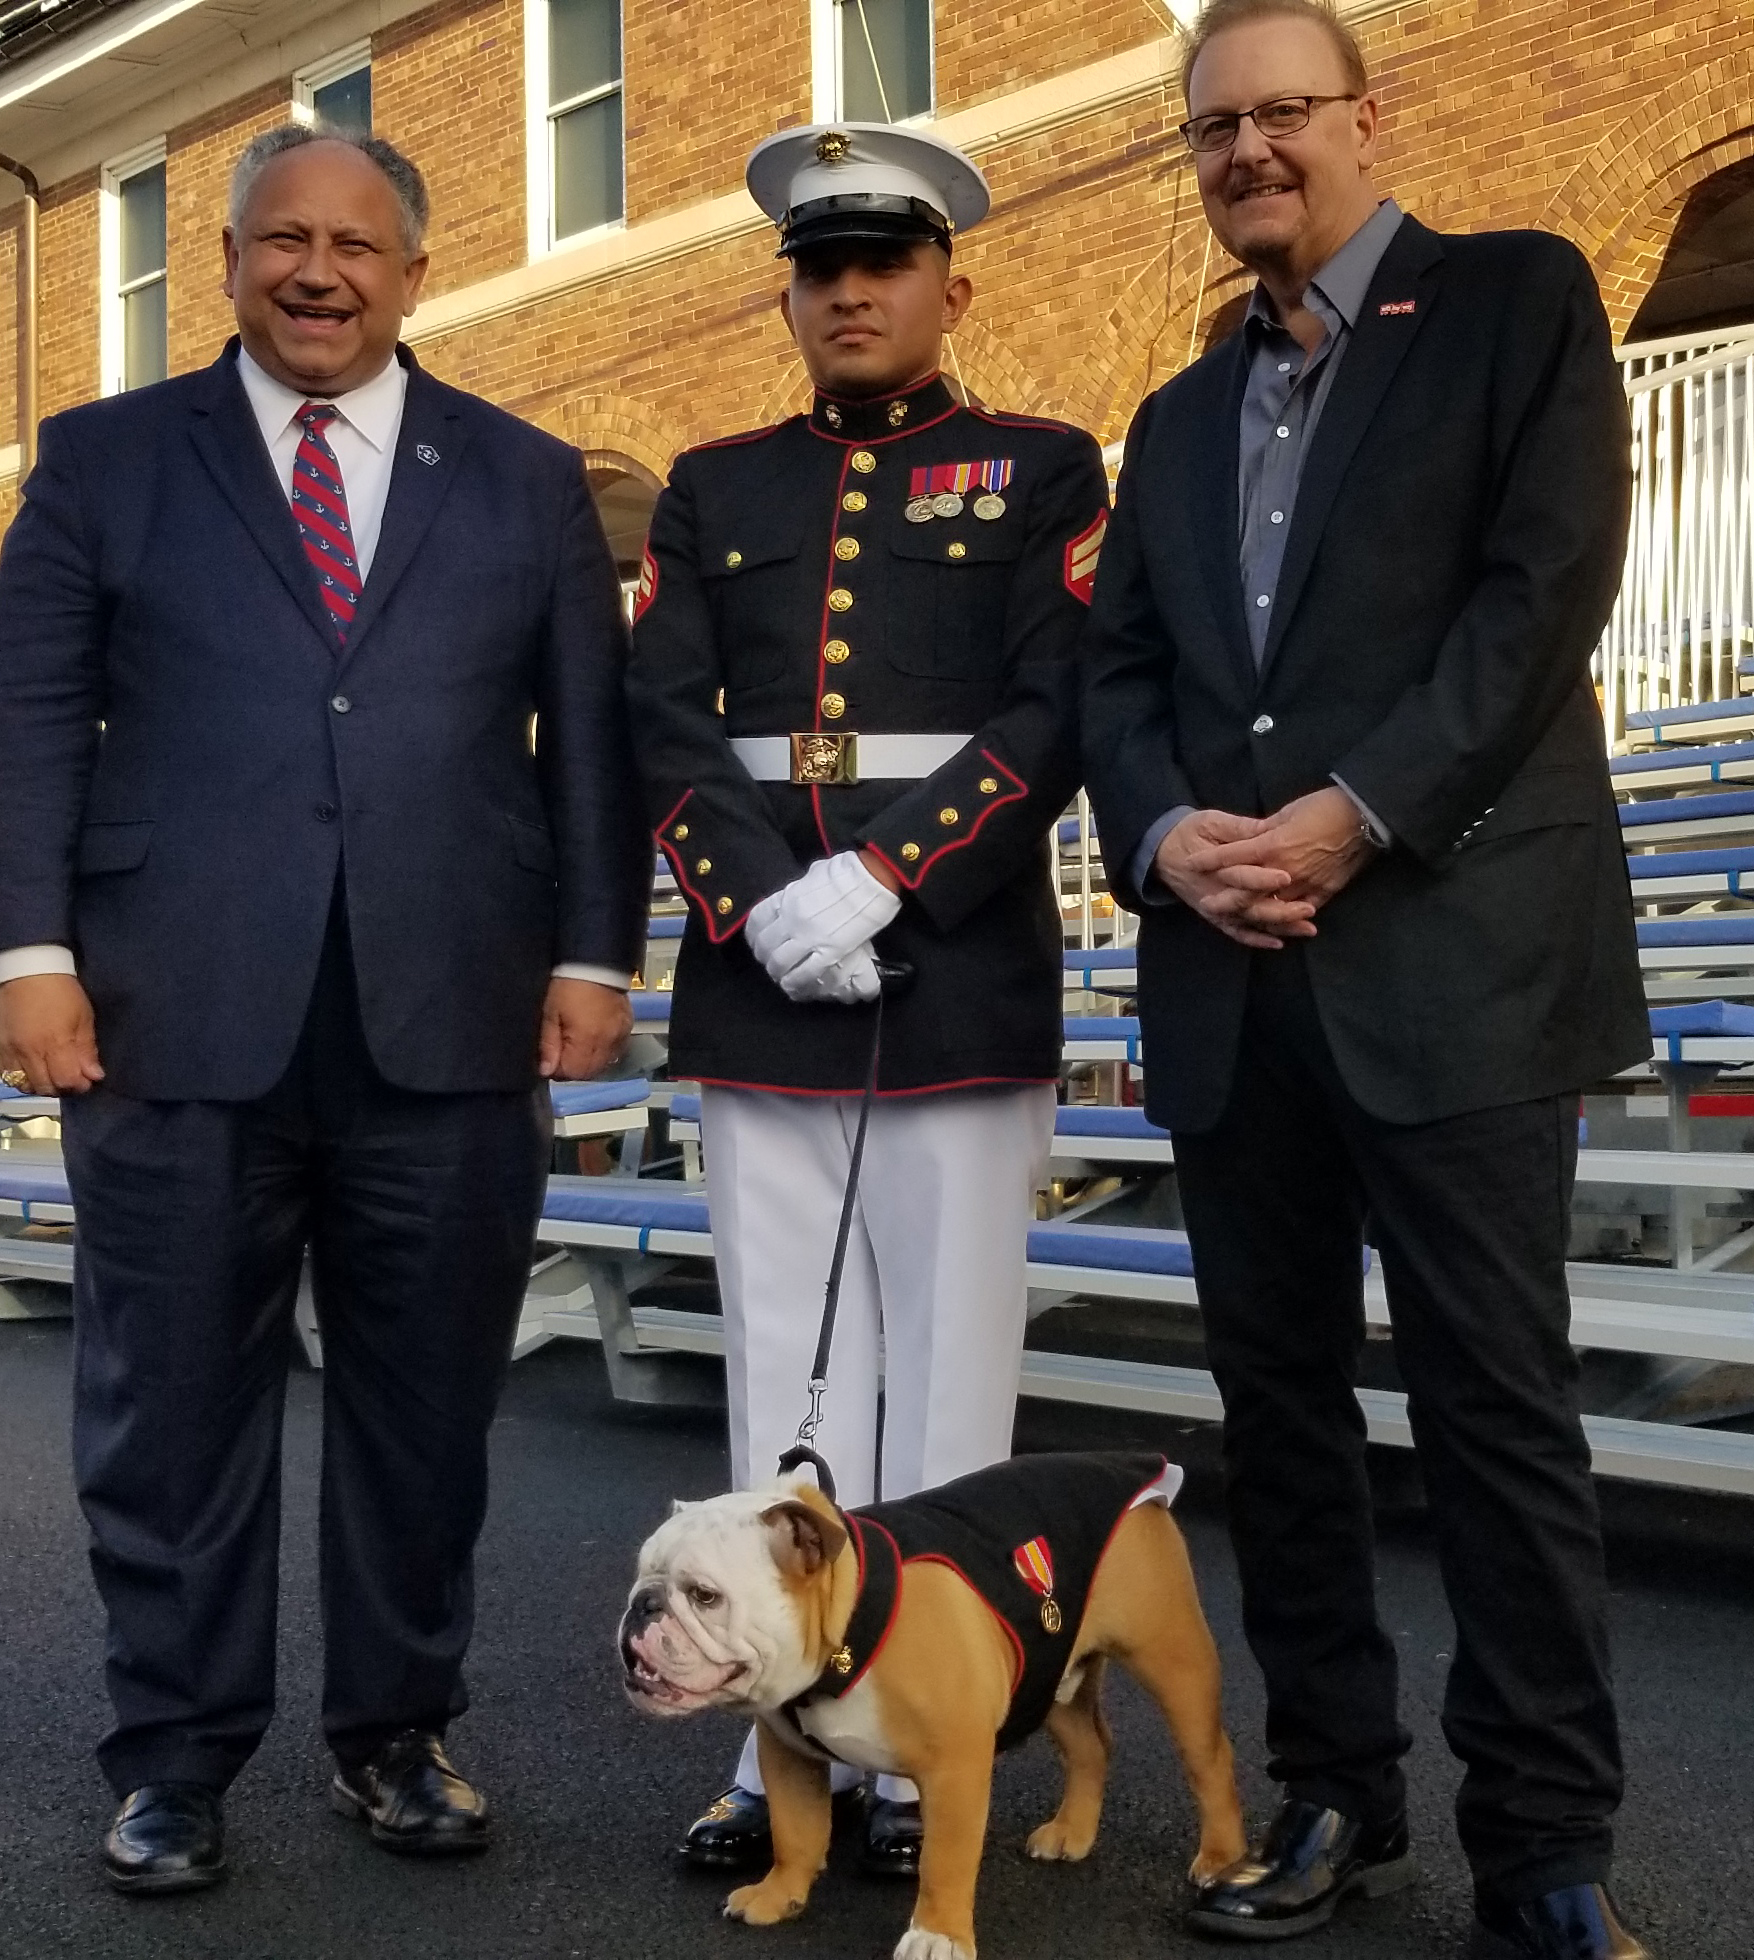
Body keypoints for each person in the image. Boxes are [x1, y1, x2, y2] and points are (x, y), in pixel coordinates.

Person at [0, 124, 649, 1894]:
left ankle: (396, 1732)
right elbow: (28, 718)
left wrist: (596, 953)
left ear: (416, 270)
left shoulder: (520, 477)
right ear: (230, 263)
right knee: (169, 1407)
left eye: (356, 243)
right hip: (168, 1013)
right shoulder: (106, 462)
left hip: (453, 1013)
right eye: (284, 241)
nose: (319, 272)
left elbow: (590, 739)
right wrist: (24, 954)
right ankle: (175, 1757)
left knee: (424, 1408)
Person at [1081, 3, 1653, 1955]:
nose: (1247, 149)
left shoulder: (1508, 303)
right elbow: (1127, 680)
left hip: (1458, 958)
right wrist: (1164, 837)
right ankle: (1332, 1791)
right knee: (1282, 1415)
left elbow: (1544, 585)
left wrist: (1348, 812)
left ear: (1364, 119)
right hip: (1230, 977)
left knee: (1498, 1410)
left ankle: (1545, 1843)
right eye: (1212, 125)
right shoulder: (1168, 418)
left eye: (1281, 113)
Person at [626, 123, 1109, 1878]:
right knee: (785, 1378)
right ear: (790, 292)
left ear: (946, 285)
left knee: (953, 1392)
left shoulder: (1041, 469)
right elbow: (662, 718)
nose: (848, 290)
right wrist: (764, 906)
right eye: (819, 267)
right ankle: (780, 1753)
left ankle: (928, 1746)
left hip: (953, 972)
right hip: (762, 985)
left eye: (882, 262)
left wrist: (885, 875)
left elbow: (1055, 708)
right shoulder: (710, 484)